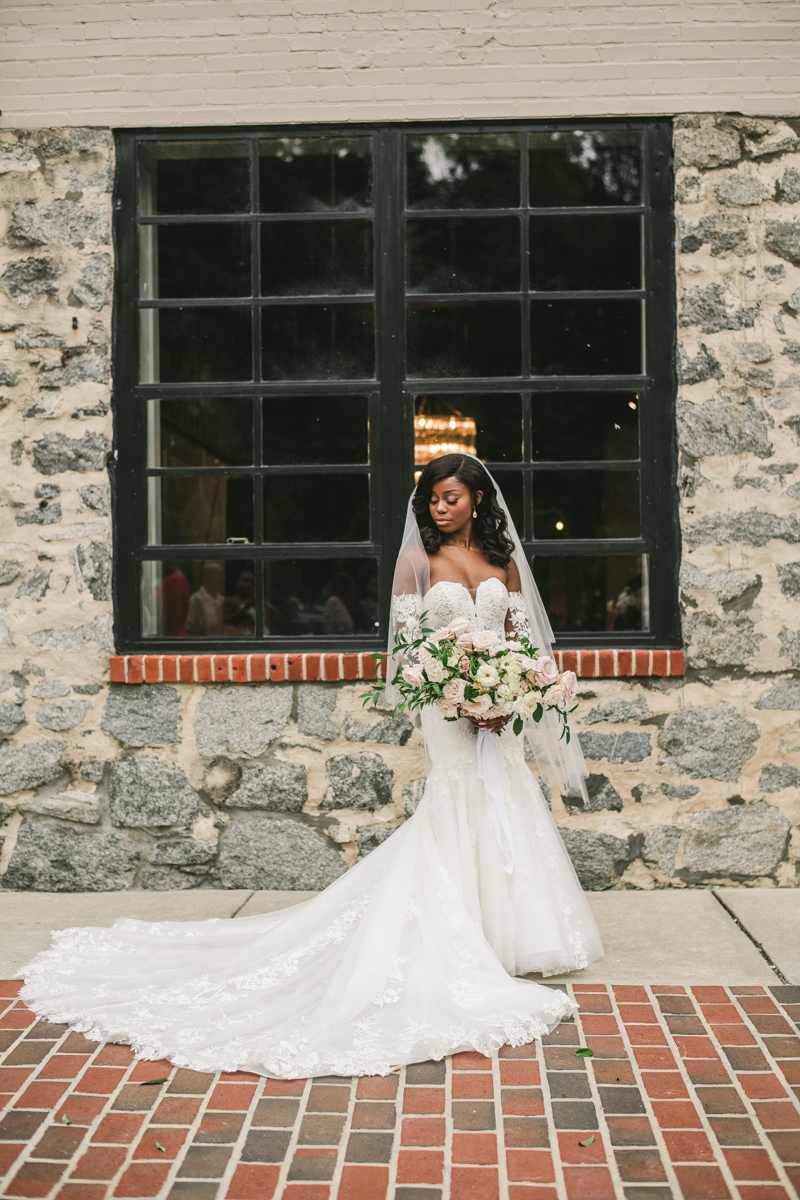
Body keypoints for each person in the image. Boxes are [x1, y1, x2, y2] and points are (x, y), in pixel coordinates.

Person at [18, 455, 603, 1079]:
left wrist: (509, 692)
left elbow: (519, 639)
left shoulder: (503, 562)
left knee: (506, 794)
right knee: (459, 797)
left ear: (479, 500)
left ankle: (514, 931)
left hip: (499, 704)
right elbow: (405, 653)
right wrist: (456, 691)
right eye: (431, 497)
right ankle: (460, 931)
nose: (439, 507)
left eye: (451, 497)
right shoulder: (416, 562)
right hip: (446, 703)